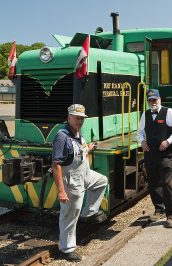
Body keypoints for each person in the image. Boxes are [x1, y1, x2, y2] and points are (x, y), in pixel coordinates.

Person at [52, 104, 108, 262]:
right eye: (77, 118)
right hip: (72, 181)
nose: (80, 121)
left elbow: (78, 151)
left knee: (102, 181)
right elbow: (56, 165)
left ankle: (88, 213)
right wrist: (61, 191)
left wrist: (87, 148)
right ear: (69, 117)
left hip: (85, 174)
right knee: (69, 215)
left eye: (82, 118)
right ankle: (67, 249)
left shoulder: (78, 133)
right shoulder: (62, 136)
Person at [137, 89, 172, 228]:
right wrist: (142, 142)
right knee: (153, 182)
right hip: (150, 154)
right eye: (150, 100)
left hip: (165, 154)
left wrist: (168, 141)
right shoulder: (145, 115)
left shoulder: (169, 112)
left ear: (160, 99)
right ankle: (159, 209)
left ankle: (170, 215)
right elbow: (140, 132)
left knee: (166, 183)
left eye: (155, 99)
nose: (153, 102)